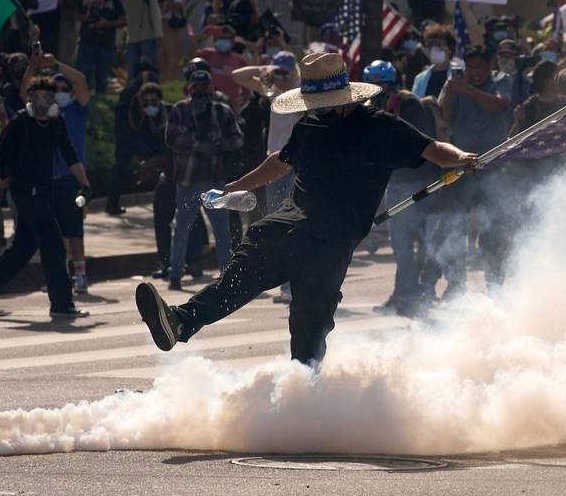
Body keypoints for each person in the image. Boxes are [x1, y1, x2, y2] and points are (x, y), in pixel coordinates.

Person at [134, 52, 477, 365]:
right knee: (233, 285)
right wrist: (237, 185)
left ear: (345, 98)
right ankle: (180, 322)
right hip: (281, 230)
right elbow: (280, 162)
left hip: (328, 244)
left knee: (307, 331)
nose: (318, 108)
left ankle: (303, 398)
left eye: (324, 103)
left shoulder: (382, 127)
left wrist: (461, 158)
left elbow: (431, 148)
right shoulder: (310, 125)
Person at [0, 74, 91, 319]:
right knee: (54, 243)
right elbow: (1, 161)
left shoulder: (56, 123)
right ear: (29, 99)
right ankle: (62, 304)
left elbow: (69, 154)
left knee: (21, 251)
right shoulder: (20, 123)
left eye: (47, 97)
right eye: (37, 96)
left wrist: (85, 184)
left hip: (43, 192)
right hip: (26, 192)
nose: (42, 101)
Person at [364, 60, 441, 316]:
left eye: (382, 85)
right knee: (401, 244)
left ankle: (419, 292)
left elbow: (416, 143)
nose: (378, 91)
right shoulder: (371, 110)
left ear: (392, 84)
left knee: (420, 243)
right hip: (396, 184)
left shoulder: (408, 104)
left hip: (419, 182)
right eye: (372, 86)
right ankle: (406, 295)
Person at [435, 45, 513, 297]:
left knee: (494, 231)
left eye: (480, 67)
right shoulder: (456, 83)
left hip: (494, 166)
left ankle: (495, 286)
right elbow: (444, 115)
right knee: (453, 227)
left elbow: (498, 104)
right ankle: (456, 286)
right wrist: (450, 91)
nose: (474, 72)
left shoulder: (501, 80)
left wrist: (469, 90)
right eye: (470, 67)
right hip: (463, 166)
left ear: (490, 66)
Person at [165, 69, 244, 290]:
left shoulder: (221, 111)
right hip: (188, 180)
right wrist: (198, 145)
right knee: (182, 229)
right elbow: (171, 139)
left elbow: (237, 138)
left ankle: (227, 276)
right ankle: (175, 274)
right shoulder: (180, 110)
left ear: (210, 88)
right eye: (195, 86)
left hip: (214, 180)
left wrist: (218, 145)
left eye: (203, 86)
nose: (199, 90)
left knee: (222, 232)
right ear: (189, 87)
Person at [231, 51, 300, 303]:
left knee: (293, 227)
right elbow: (236, 76)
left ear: (294, 73)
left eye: (285, 73)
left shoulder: (301, 95)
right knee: (277, 227)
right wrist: (265, 68)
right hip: (274, 168)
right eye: (277, 73)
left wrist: (288, 76)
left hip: (295, 167)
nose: (281, 77)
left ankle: (294, 286)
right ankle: (285, 284)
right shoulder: (272, 93)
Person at [138, 81, 208, 280]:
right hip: (168, 176)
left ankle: (194, 262)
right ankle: (166, 262)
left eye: (153, 101)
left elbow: (178, 147)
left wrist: (155, 161)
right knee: (161, 218)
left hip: (186, 174)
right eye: (146, 102)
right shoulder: (146, 122)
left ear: (160, 100)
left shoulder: (175, 115)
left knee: (191, 218)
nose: (150, 106)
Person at [45, 65, 92, 294]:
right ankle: (60, 276)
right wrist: (34, 66)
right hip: (48, 180)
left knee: (74, 231)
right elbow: (25, 93)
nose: (61, 93)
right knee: (55, 233)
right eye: (56, 89)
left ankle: (80, 275)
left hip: (72, 180)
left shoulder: (77, 111)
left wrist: (56, 64)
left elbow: (81, 80)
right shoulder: (45, 114)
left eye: (65, 89)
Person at [106, 62, 160, 216]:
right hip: (137, 135)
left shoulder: (129, 90)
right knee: (156, 164)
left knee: (120, 169)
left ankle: (112, 205)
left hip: (125, 136)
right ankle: (162, 203)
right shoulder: (146, 82)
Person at [77, 0, 127, 96]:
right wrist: (86, 15)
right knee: (83, 74)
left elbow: (123, 20)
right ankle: (82, 98)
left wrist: (107, 23)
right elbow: (73, 14)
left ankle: (101, 98)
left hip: (106, 43)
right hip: (86, 41)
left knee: (102, 75)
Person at [119, 0, 163, 78]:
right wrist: (119, 41)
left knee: (150, 66)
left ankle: (153, 85)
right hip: (132, 39)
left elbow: (155, 11)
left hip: (147, 36)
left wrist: (158, 34)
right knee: (131, 68)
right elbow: (122, 19)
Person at [194, 25, 249, 107]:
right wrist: (201, 37)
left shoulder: (240, 61)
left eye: (226, 39)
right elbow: (190, 56)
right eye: (221, 38)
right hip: (208, 102)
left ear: (233, 42)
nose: (223, 41)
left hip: (229, 105)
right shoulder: (207, 54)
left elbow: (246, 88)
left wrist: (241, 104)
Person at [155, 0, 187, 82]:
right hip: (160, 25)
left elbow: (177, 6)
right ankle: (164, 78)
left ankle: (173, 78)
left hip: (172, 25)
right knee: (160, 55)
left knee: (172, 54)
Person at [411, 25, 456, 99]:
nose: (434, 48)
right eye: (430, 45)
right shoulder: (419, 79)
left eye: (438, 44)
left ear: (450, 49)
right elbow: (415, 104)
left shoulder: (460, 73)